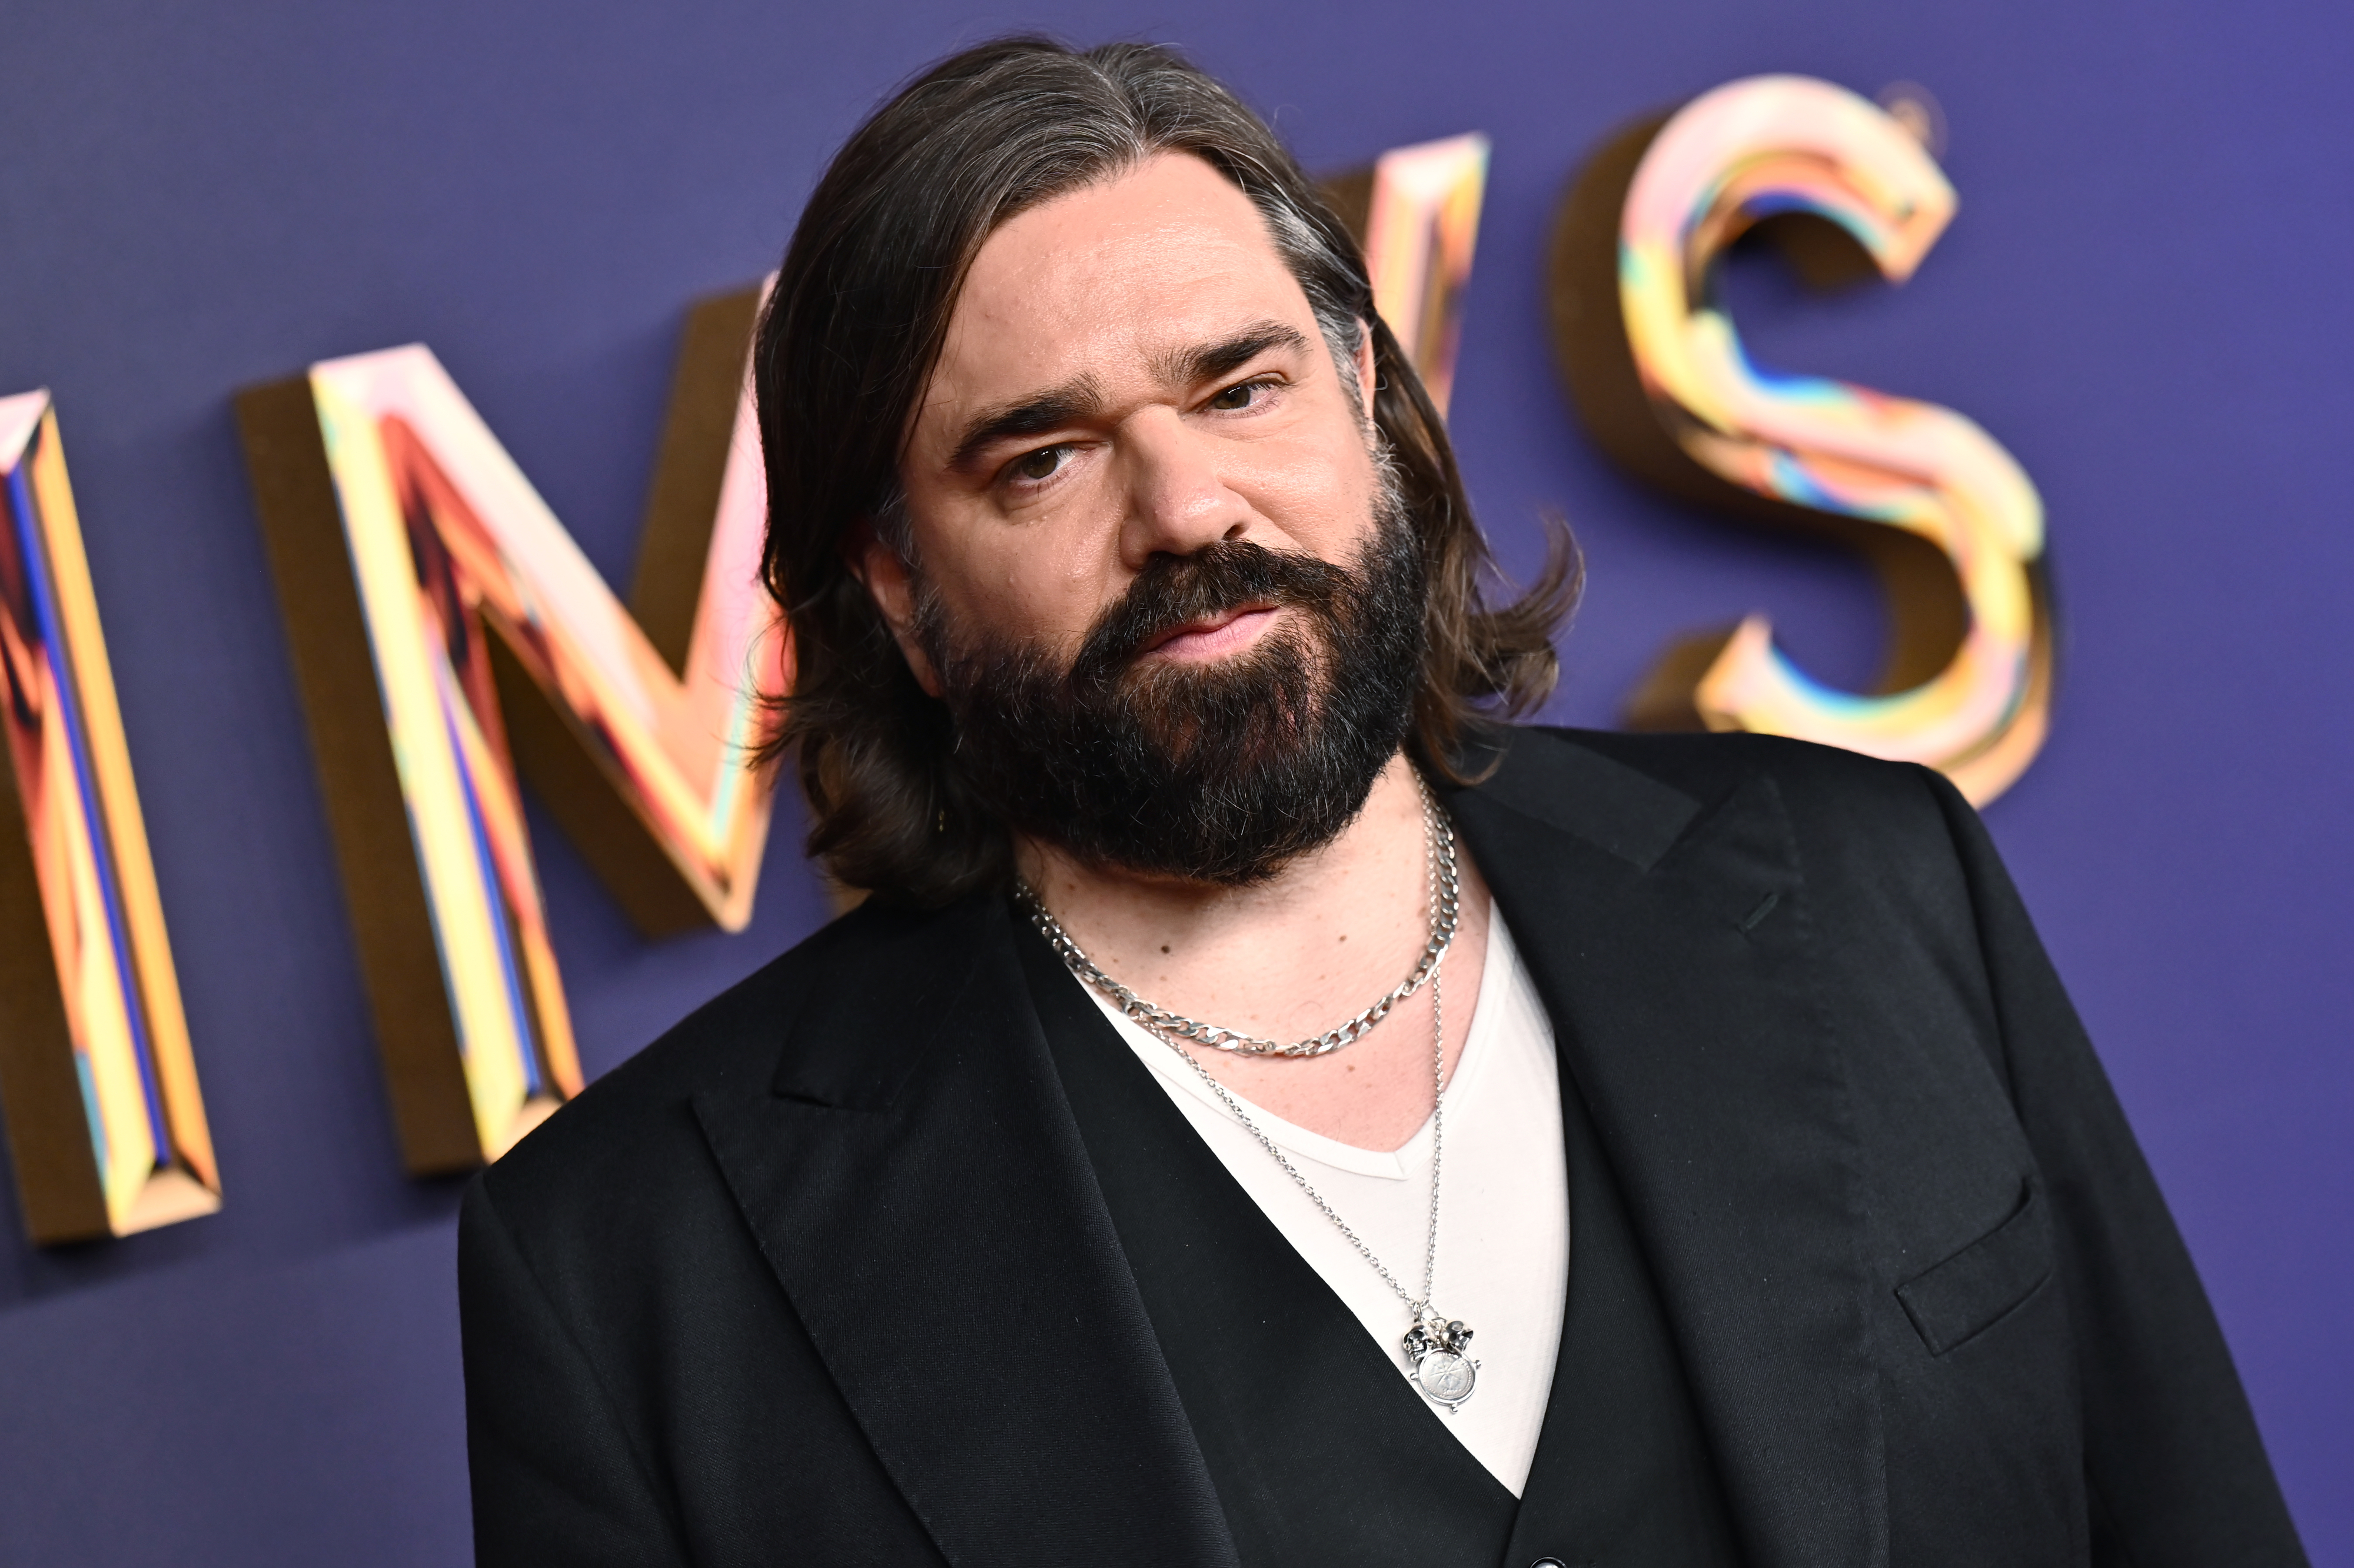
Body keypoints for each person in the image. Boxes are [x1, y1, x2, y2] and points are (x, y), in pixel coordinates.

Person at [458, 38, 2306, 1568]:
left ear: (1358, 391)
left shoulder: (1870, 885)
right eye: (1042, 456)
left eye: (1237, 386)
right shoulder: (636, 1271)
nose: (1185, 509)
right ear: (895, 591)